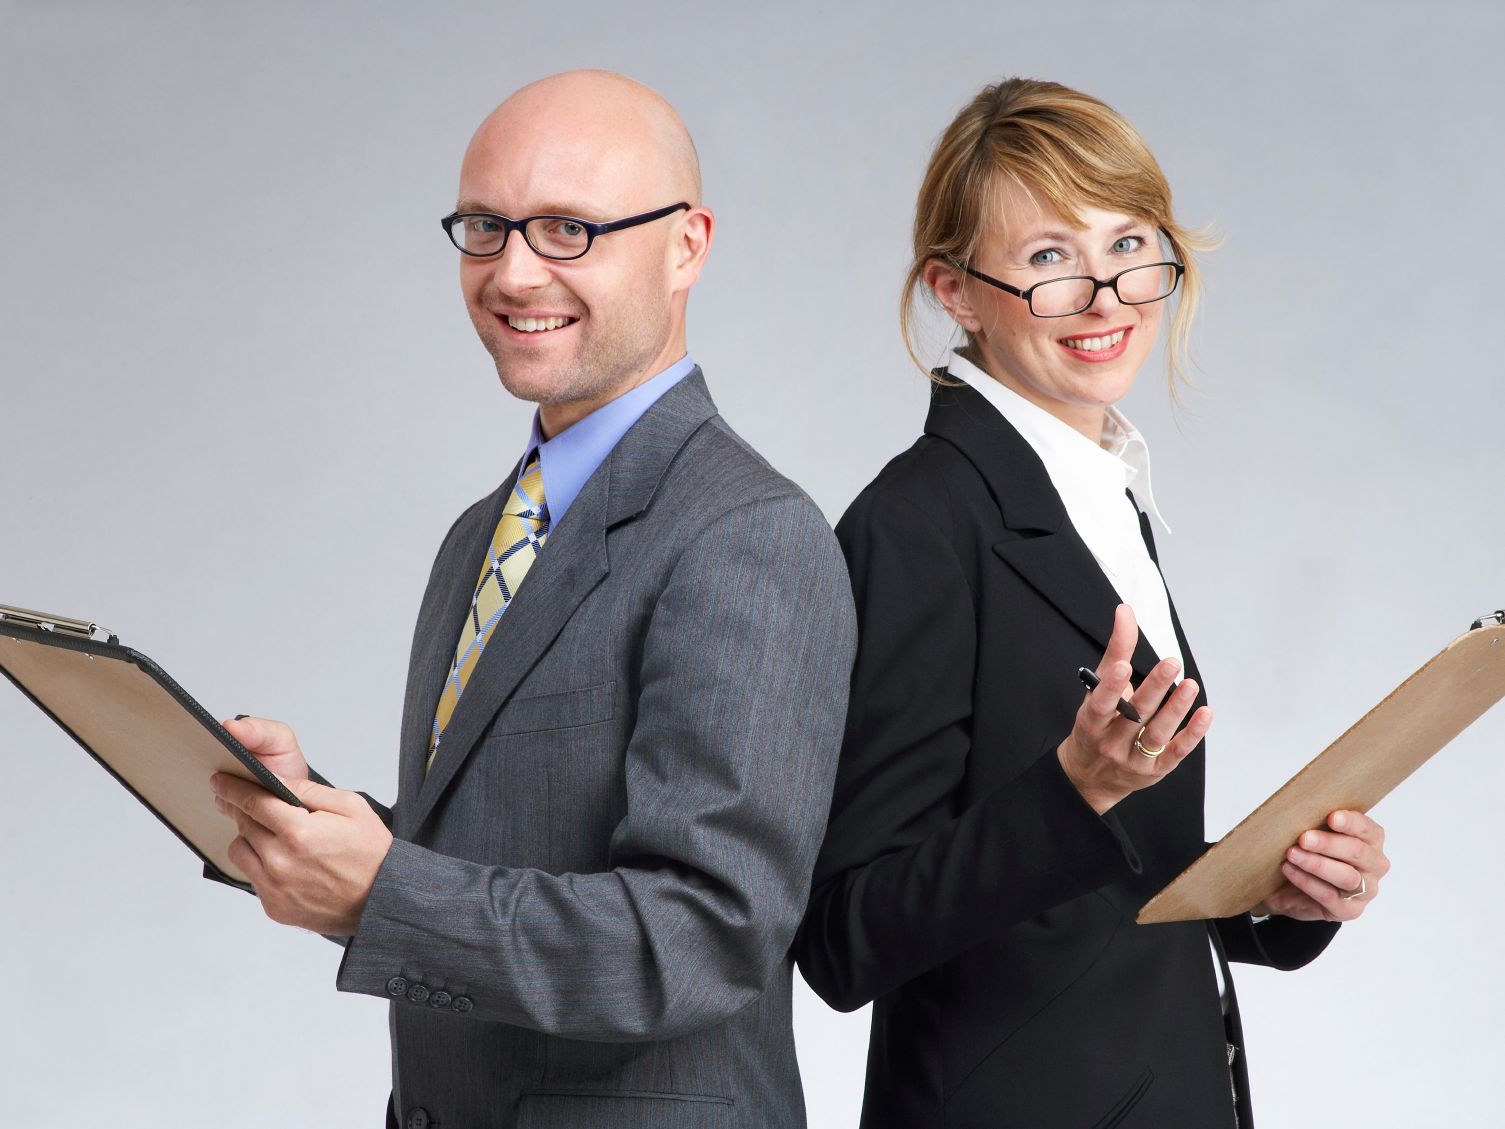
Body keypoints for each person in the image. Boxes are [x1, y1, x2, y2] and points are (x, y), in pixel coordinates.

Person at [209, 69, 856, 1129]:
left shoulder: (746, 532)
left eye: (567, 229)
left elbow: (700, 938)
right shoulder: (483, 533)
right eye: (485, 227)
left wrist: (382, 891)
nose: (512, 273)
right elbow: (498, 860)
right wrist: (320, 825)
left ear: (686, 245)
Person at [793, 78, 1391, 1129]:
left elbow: (1106, 887)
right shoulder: (915, 525)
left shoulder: (1099, 494)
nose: (1105, 295)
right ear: (953, 290)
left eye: (1125, 244)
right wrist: (1069, 792)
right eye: (1047, 258)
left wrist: (1270, 893)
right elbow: (844, 937)